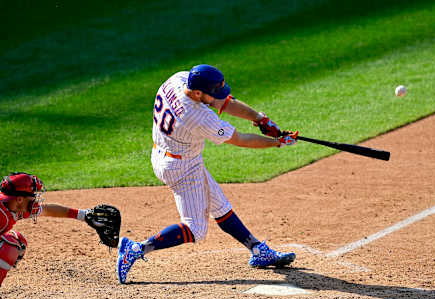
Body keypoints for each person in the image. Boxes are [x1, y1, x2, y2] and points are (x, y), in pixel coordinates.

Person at [116, 64, 299, 284]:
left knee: (219, 205)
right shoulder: (197, 116)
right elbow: (239, 139)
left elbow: (224, 102)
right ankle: (135, 249)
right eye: (212, 94)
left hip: (168, 154)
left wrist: (259, 118)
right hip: (181, 167)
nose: (216, 97)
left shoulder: (179, 79)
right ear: (197, 93)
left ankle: (258, 250)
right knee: (195, 229)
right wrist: (277, 143)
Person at [0, 172, 98, 287]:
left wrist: (84, 215)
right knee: (8, 248)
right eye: (32, 195)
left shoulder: (15, 207)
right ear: (20, 199)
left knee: (19, 242)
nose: (34, 199)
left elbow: (47, 209)